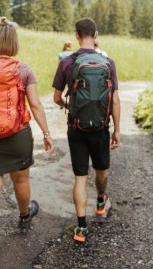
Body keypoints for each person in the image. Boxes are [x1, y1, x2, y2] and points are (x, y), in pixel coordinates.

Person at [53, 17, 120, 242]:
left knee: (80, 177)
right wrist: (117, 130)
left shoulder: (67, 62)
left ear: (76, 36)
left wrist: (69, 106)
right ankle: (101, 201)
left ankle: (81, 228)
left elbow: (55, 97)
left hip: (76, 128)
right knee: (102, 171)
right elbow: (116, 100)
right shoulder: (108, 62)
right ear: (96, 35)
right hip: (101, 128)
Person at [0, 17, 54, 229]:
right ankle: (24, 215)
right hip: (18, 134)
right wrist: (47, 133)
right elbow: (36, 105)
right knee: (21, 180)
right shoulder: (24, 70)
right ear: (14, 43)